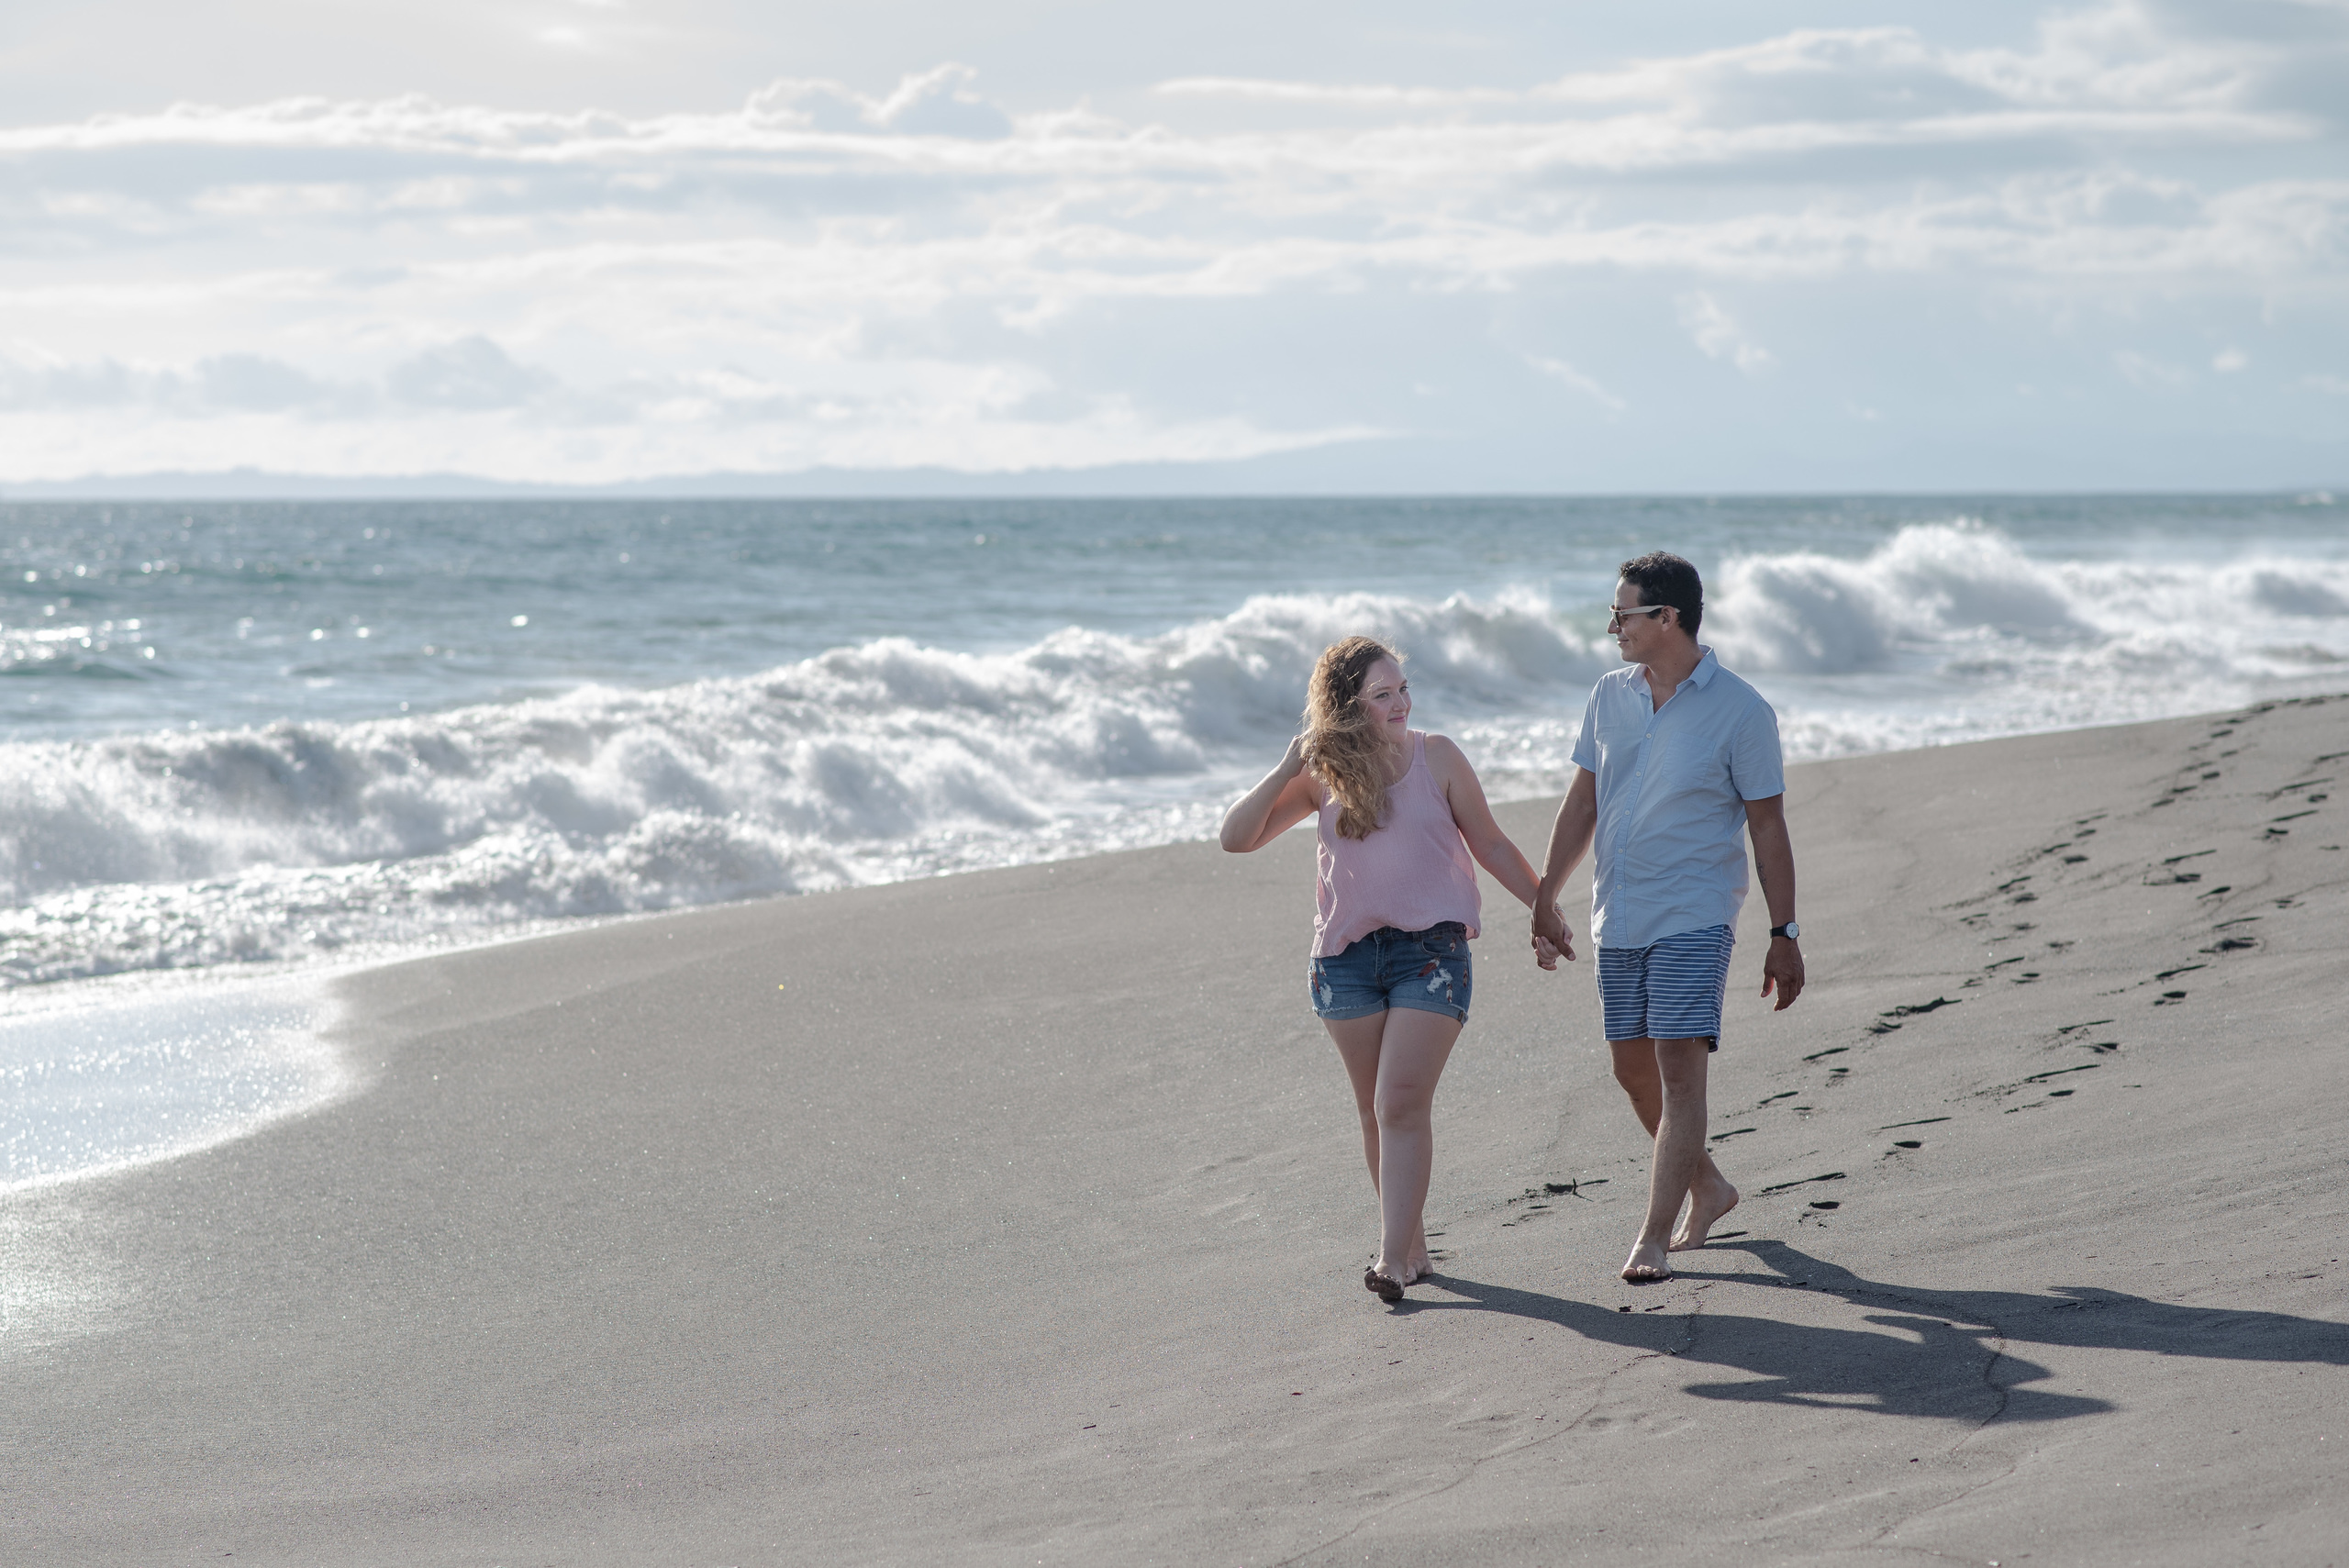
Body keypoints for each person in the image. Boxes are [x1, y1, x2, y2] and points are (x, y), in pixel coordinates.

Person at [1221, 636, 1558, 1303]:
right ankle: (1412, 1245)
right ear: (1347, 707)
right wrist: (1288, 763)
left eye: (1403, 688)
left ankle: (1390, 1260)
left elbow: (1490, 842)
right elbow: (1237, 837)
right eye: (1383, 694)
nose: (1401, 703)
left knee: (1399, 1101)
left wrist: (1543, 909)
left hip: (1430, 954)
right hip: (1345, 961)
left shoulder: (1439, 756)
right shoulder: (1321, 775)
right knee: (1374, 1111)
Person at [1531, 552, 1805, 1284]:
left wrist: (1784, 932)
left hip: (1694, 912)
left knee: (1680, 1072)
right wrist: (1546, 892)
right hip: (1618, 912)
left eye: (1622, 614)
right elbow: (1583, 800)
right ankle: (1708, 1185)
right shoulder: (1608, 695)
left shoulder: (1742, 710)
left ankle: (1652, 1237)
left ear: (1667, 618)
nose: (1612, 628)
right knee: (1632, 1071)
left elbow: (1767, 824)